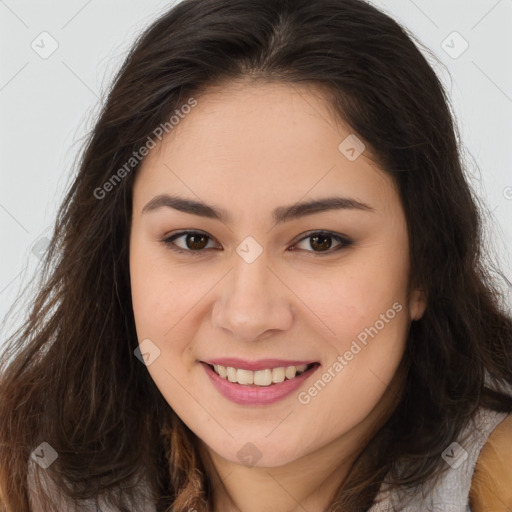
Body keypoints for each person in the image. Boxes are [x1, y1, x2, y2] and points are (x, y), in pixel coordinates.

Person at [1, 0, 511, 511]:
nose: (248, 316)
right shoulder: (19, 472)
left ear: (423, 264)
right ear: (119, 257)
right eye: (193, 240)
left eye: (319, 241)